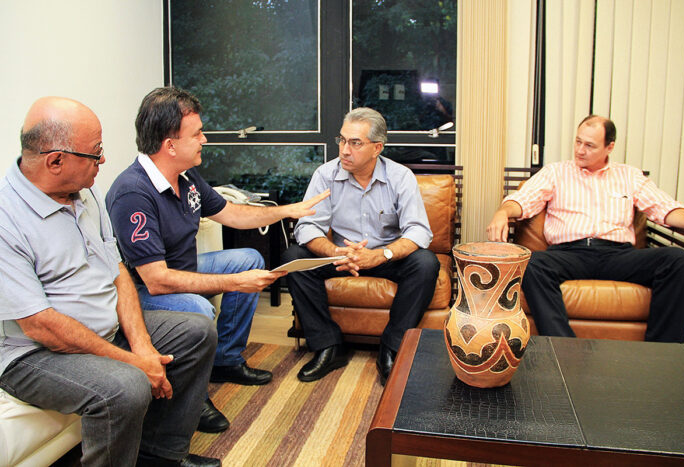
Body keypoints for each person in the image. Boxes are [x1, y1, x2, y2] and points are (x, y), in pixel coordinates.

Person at [0, 97, 220, 467]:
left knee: (197, 331)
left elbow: (118, 271)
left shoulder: (85, 194)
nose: (103, 161)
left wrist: (143, 345)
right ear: (55, 161)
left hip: (103, 328)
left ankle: (159, 456)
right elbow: (41, 325)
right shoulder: (7, 219)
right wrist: (133, 361)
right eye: (96, 152)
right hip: (33, 355)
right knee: (127, 387)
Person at [106, 87, 328, 432]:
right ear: (170, 145)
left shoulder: (185, 176)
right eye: (197, 134)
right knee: (198, 309)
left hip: (182, 271)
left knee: (250, 259)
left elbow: (233, 214)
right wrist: (232, 283)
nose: (204, 139)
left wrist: (287, 211)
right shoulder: (132, 193)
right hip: (143, 291)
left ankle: (225, 360)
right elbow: (157, 280)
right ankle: (191, 394)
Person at [487, 115, 684, 343]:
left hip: (619, 255)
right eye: (578, 142)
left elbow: (665, 207)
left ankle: (662, 351)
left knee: (678, 260)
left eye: (589, 145)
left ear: (610, 147)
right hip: (569, 253)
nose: (580, 150)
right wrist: (503, 212)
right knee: (531, 263)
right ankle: (565, 346)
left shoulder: (629, 176)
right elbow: (523, 199)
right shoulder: (556, 172)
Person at [282, 107, 439, 384]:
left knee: (426, 262)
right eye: (342, 140)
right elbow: (307, 227)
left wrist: (380, 255)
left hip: (385, 258)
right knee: (294, 256)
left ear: (377, 147)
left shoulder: (400, 177)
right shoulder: (325, 174)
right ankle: (328, 347)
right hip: (342, 257)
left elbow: (419, 231)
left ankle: (391, 349)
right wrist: (335, 251)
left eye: (355, 143)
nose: (344, 150)